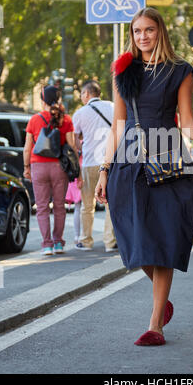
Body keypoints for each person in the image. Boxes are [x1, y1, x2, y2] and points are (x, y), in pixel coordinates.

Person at [95, 7, 193, 346]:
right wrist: (104, 170)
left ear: (160, 31)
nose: (142, 36)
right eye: (137, 31)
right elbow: (117, 124)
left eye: (149, 30)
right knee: (134, 238)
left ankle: (155, 323)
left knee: (163, 239)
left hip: (168, 157)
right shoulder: (123, 70)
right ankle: (163, 303)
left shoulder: (180, 71)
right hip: (129, 159)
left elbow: (185, 118)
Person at [23, 85, 81, 255]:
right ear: (58, 99)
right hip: (59, 168)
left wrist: (26, 168)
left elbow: (27, 148)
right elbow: (71, 147)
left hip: (38, 167)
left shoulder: (34, 119)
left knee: (41, 207)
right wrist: (76, 169)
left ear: (43, 101)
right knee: (59, 207)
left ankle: (47, 245)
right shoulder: (66, 120)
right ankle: (58, 243)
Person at [72, 80, 116, 252]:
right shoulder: (112, 107)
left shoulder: (80, 113)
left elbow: (75, 141)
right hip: (109, 161)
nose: (82, 97)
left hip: (90, 162)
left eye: (82, 94)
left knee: (87, 205)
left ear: (87, 94)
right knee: (109, 205)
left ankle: (86, 240)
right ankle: (110, 242)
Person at [65, 153, 83, 244]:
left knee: (78, 207)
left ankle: (78, 236)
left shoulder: (73, 140)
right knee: (85, 207)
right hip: (82, 169)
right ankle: (81, 235)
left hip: (75, 171)